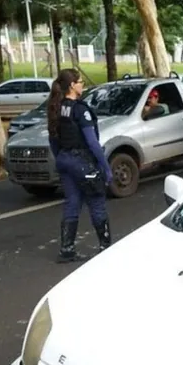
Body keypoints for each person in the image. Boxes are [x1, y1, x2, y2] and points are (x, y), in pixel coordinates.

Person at [47, 69, 112, 262]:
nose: (83, 85)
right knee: (97, 200)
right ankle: (105, 247)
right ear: (72, 86)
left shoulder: (57, 108)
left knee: (72, 203)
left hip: (65, 160)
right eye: (80, 82)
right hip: (82, 161)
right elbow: (92, 142)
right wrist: (106, 168)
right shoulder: (80, 110)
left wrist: (62, 157)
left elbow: (53, 139)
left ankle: (67, 249)